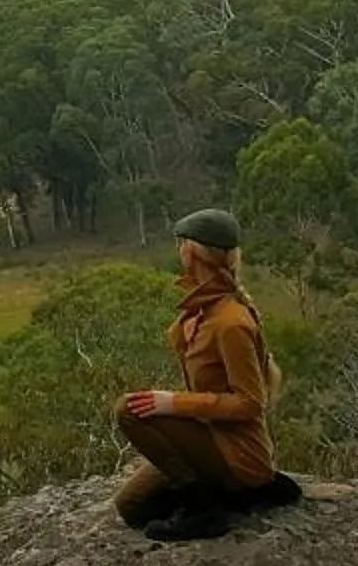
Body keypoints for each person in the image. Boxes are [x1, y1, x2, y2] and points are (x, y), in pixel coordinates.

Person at [113, 208, 303, 541]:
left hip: (239, 452)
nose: (178, 250)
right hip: (211, 437)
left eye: (181, 243)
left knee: (128, 410)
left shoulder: (230, 322)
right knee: (133, 506)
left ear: (191, 251)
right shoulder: (202, 310)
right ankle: (241, 495)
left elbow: (250, 404)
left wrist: (173, 403)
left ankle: (204, 508)